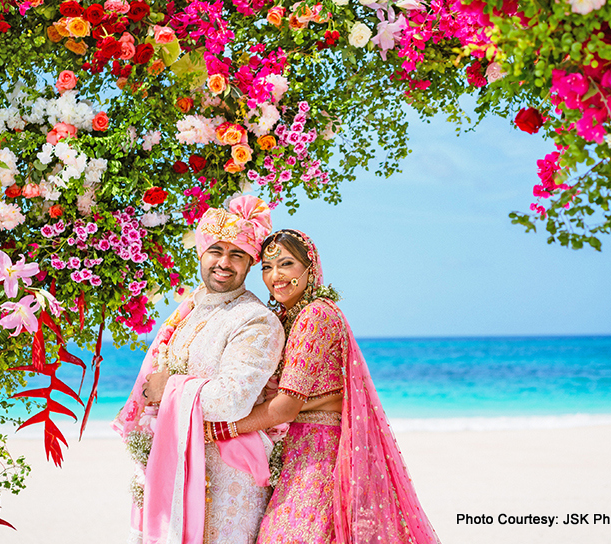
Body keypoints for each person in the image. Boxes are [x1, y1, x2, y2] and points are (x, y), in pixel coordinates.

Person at [205, 229, 441, 544]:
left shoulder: (314, 316)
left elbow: (286, 405)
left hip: (320, 454)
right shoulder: (292, 317)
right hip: (300, 450)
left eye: (286, 264)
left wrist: (224, 429)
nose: (275, 276)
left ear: (309, 267)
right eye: (266, 267)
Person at [112, 195, 285, 544]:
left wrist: (168, 388)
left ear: (251, 263)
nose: (224, 262)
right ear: (200, 253)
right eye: (216, 251)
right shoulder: (189, 311)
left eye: (237, 254)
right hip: (175, 465)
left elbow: (233, 400)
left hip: (226, 480)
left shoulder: (256, 321)